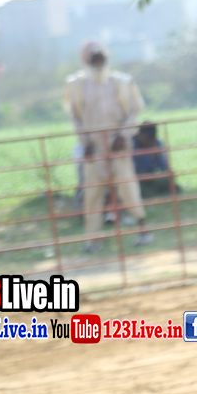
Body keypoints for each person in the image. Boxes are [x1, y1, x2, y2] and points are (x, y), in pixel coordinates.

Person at [64, 41, 153, 251]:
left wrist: (123, 135)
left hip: (118, 145)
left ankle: (143, 231)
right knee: (93, 194)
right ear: (87, 61)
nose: (98, 63)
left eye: (101, 58)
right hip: (94, 147)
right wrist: (85, 142)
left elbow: (134, 111)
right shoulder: (78, 85)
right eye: (94, 59)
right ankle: (92, 240)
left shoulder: (121, 82)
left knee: (128, 188)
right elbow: (75, 117)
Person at [132, 122, 179, 197]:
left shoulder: (156, 143)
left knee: (169, 176)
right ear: (141, 134)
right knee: (138, 188)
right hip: (138, 179)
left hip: (152, 177)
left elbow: (164, 167)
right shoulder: (131, 144)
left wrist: (158, 155)